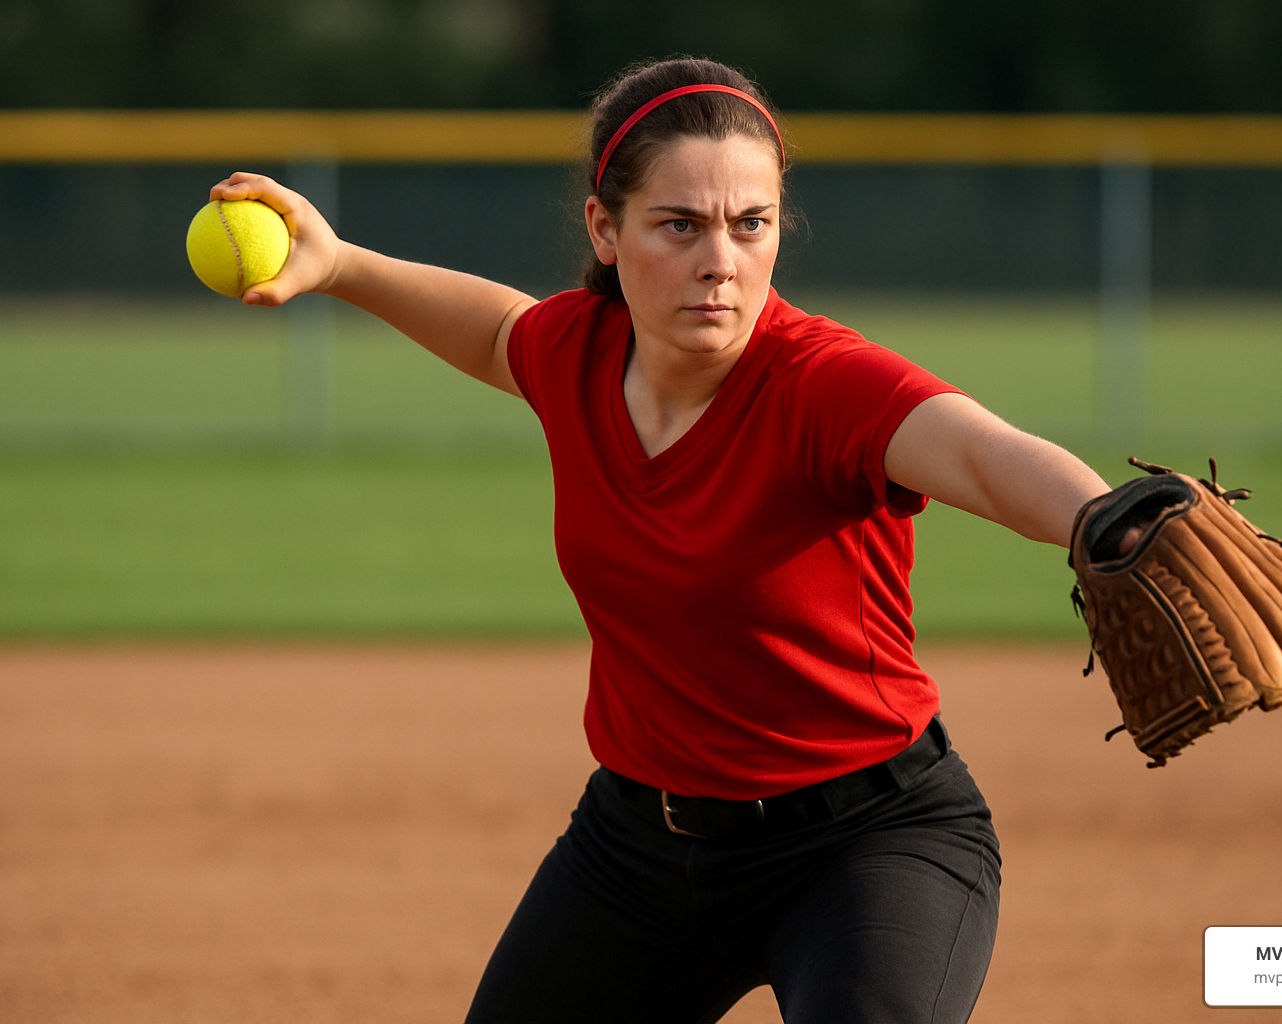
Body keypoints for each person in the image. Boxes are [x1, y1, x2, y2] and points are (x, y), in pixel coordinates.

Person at [210, 57, 1112, 1024]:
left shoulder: (823, 383)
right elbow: (494, 331)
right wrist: (340, 265)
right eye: (678, 224)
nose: (718, 259)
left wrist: (1105, 518)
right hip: (640, 849)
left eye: (748, 223)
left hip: (867, 843)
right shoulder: (580, 355)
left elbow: (981, 454)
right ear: (606, 229)